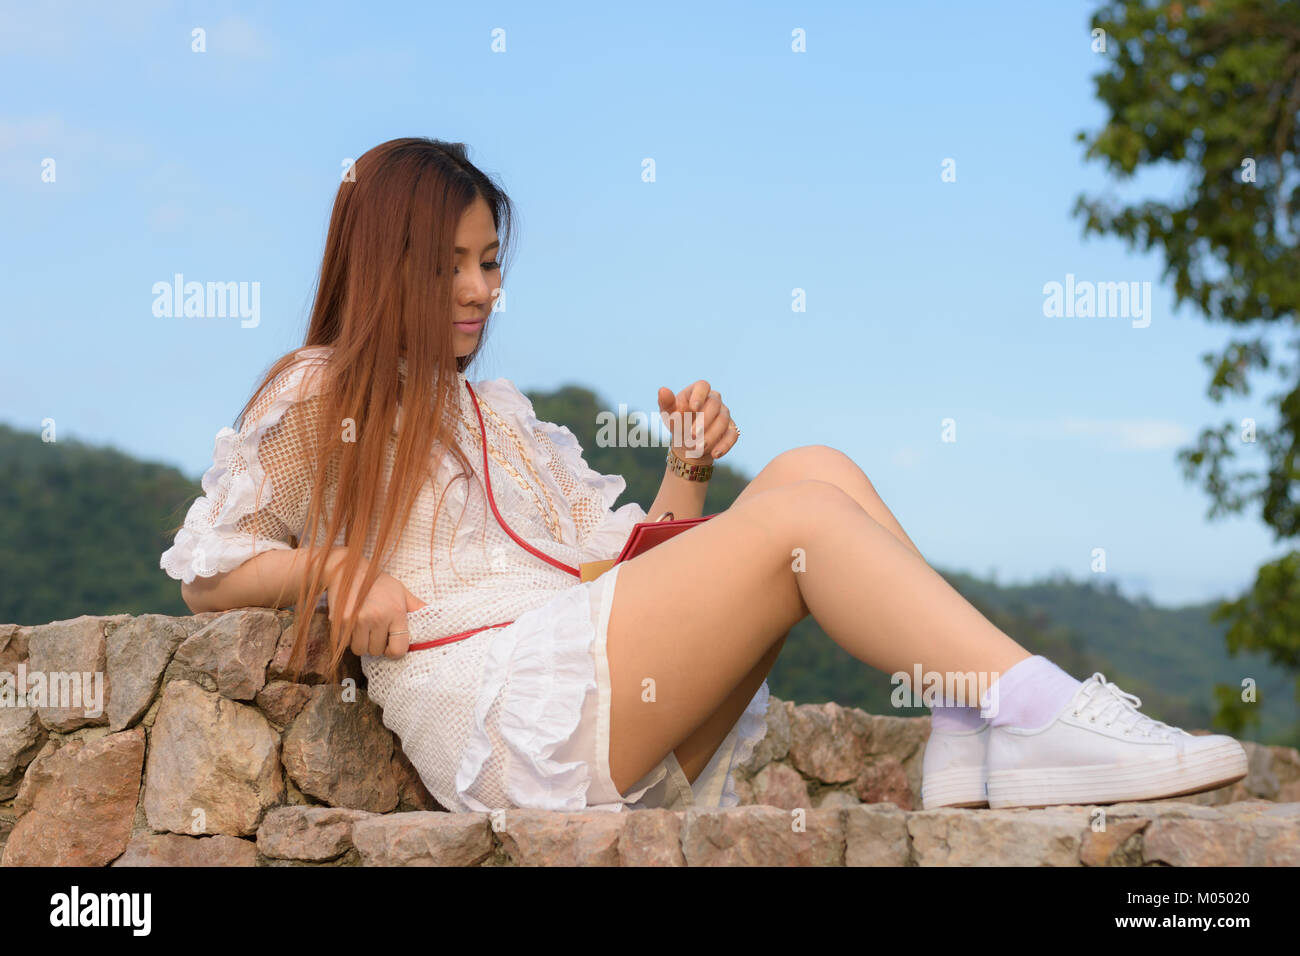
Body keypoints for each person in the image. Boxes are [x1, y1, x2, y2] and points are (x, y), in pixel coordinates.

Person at [161, 137, 1248, 815]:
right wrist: (336, 567)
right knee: (799, 524)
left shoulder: (498, 413)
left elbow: (616, 570)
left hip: (591, 676)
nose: (478, 287)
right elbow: (209, 565)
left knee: (811, 469)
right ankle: (1040, 709)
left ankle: (971, 732)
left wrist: (686, 473)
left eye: (489, 260)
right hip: (502, 712)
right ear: (382, 259)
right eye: (446, 261)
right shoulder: (323, 387)